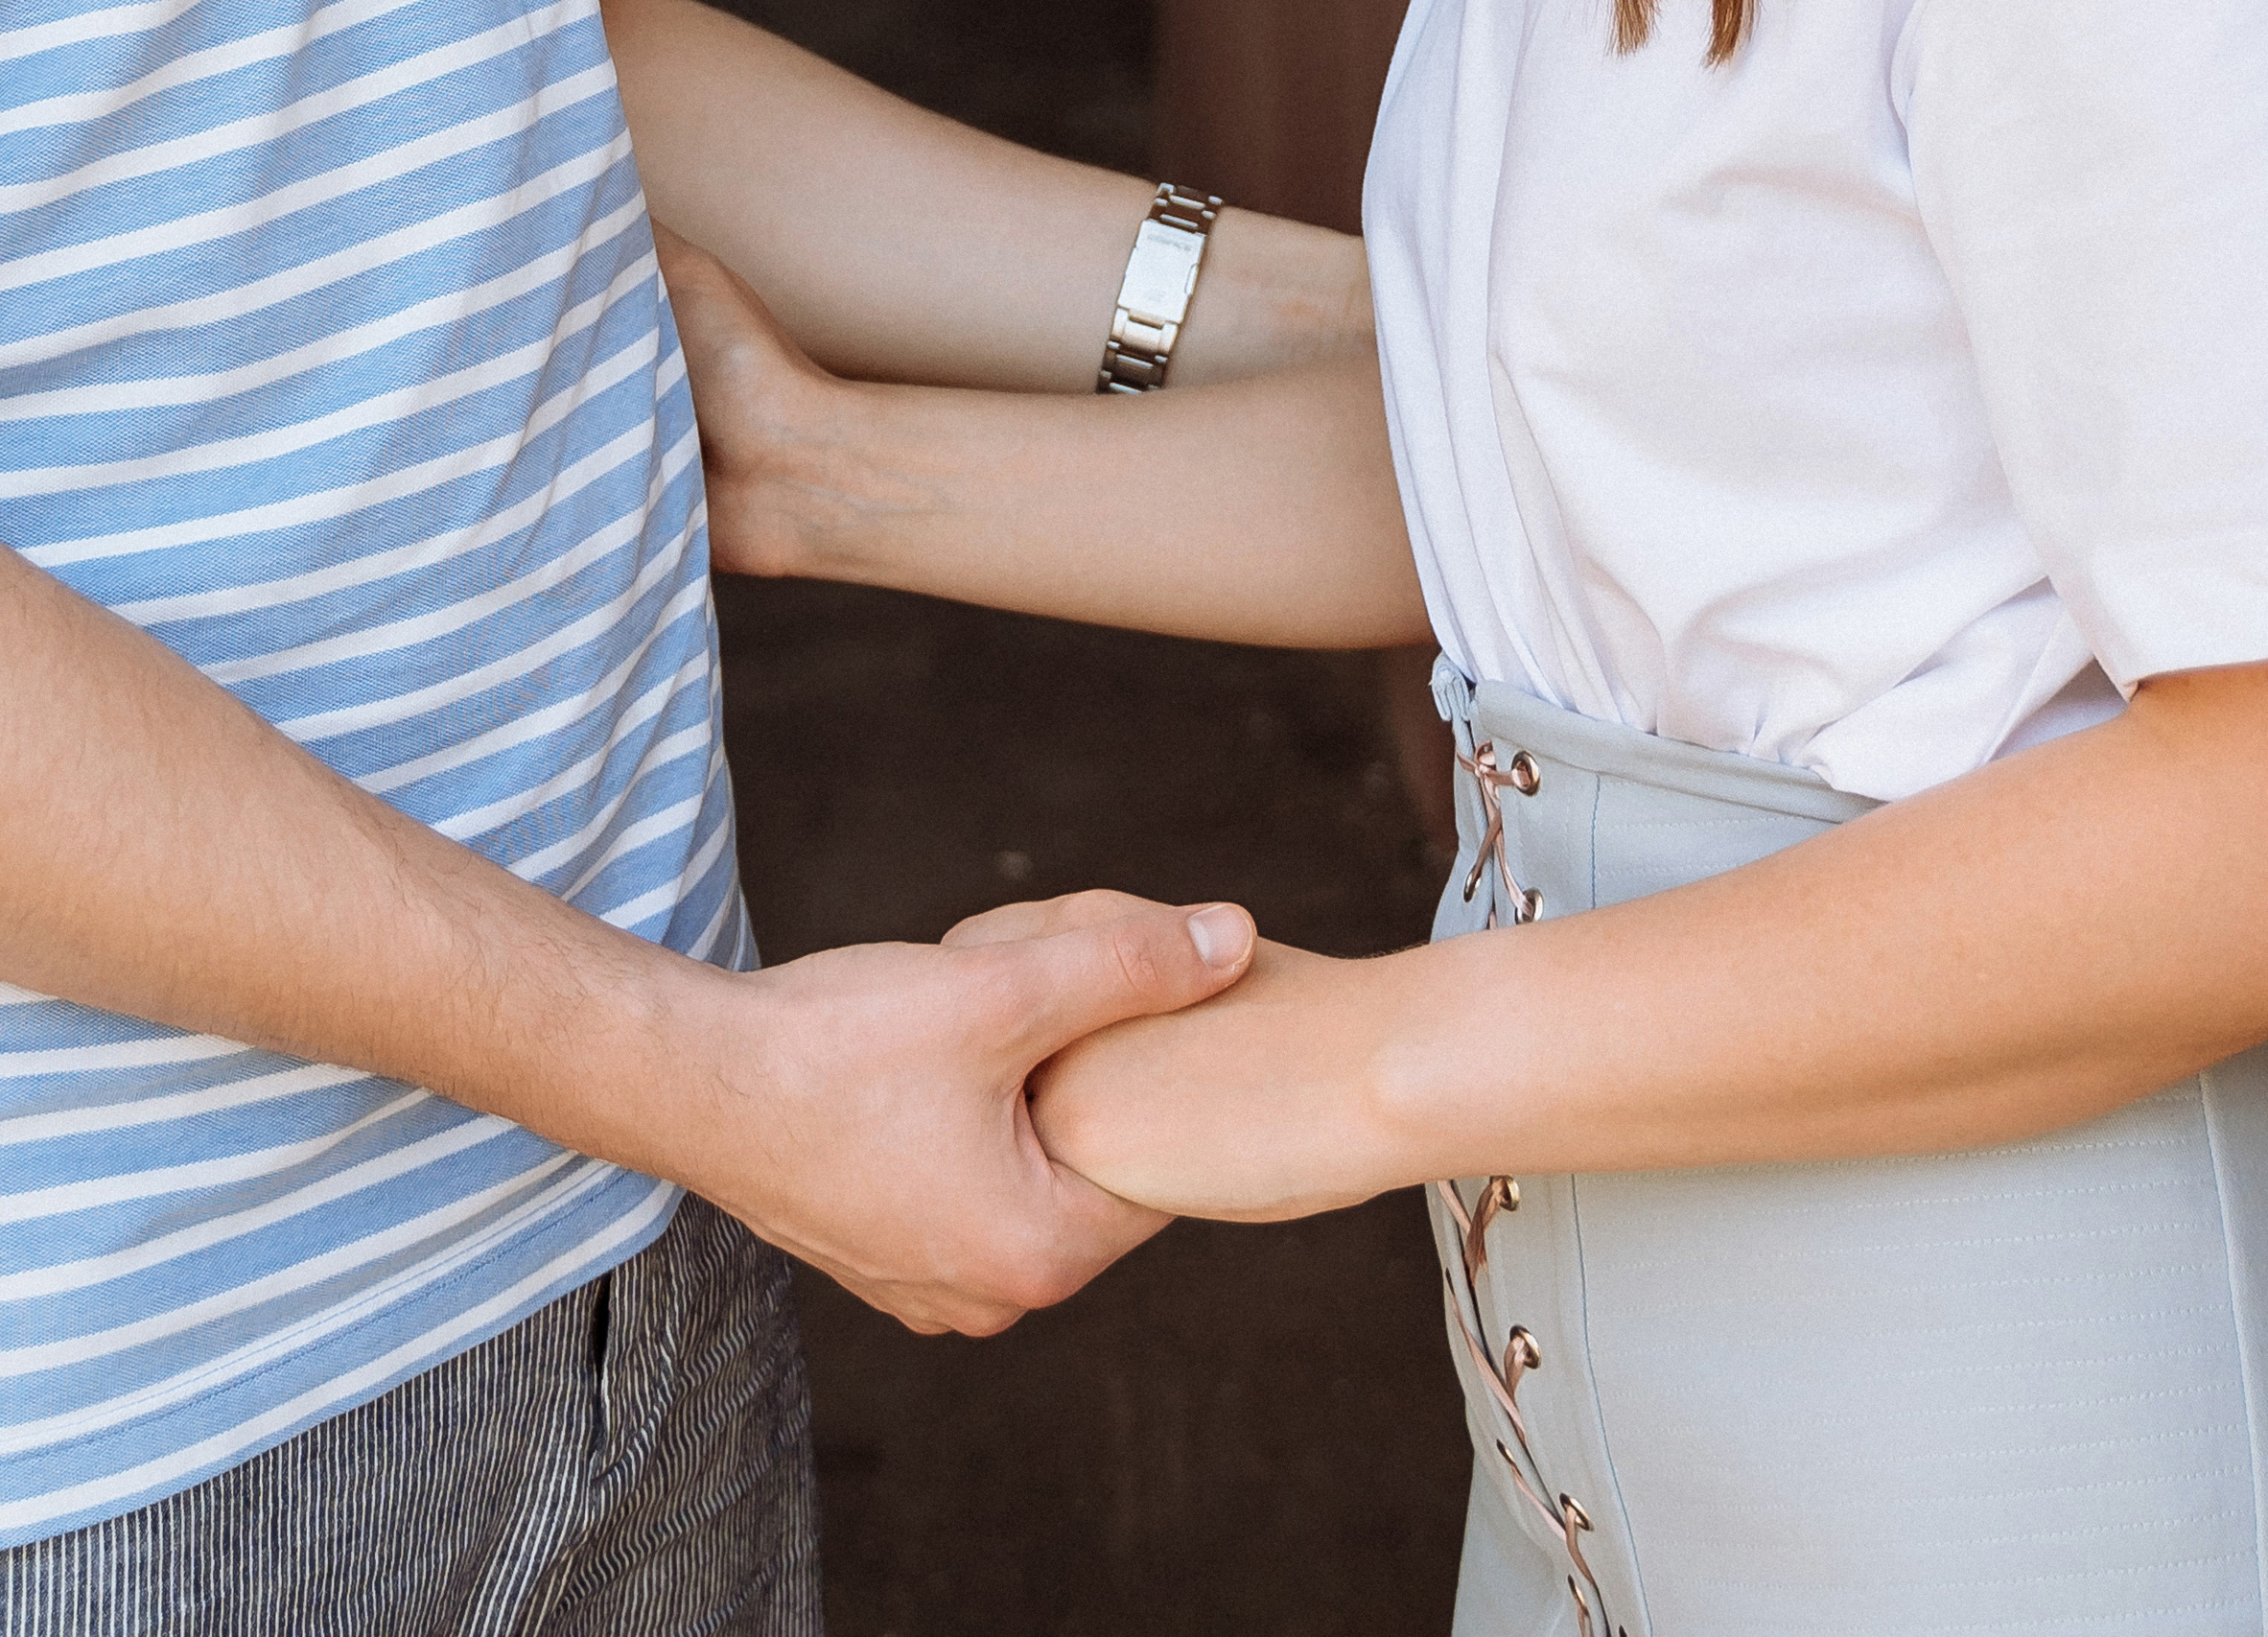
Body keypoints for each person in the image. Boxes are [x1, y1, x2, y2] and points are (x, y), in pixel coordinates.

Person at [666, 0, 2268, 1628]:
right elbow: (1589, 502)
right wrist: (817, 467)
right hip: (1582, 1464)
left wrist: (1349, 1066)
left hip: (1990, 1435)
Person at [0, 0, 1372, 1626]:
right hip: (55, 1428)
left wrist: (1368, 321)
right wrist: (696, 1074)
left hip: (634, 1258)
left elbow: (502, 55)